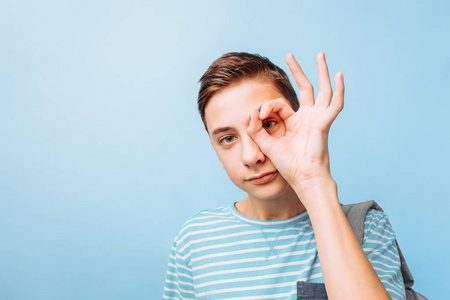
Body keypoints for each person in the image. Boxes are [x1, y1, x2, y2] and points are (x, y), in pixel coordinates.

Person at [163, 52, 406, 299]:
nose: (251, 155)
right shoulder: (194, 241)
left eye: (268, 124)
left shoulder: (367, 228)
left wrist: (312, 180)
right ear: (215, 150)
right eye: (228, 139)